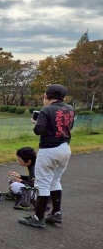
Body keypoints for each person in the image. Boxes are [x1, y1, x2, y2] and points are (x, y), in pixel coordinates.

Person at [19, 84, 75, 228]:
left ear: (46, 96)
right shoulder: (70, 109)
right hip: (65, 148)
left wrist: (37, 122)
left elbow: (38, 130)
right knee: (55, 181)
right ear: (63, 97)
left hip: (49, 149)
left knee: (42, 183)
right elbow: (69, 126)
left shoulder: (47, 109)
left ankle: (38, 217)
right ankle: (56, 213)